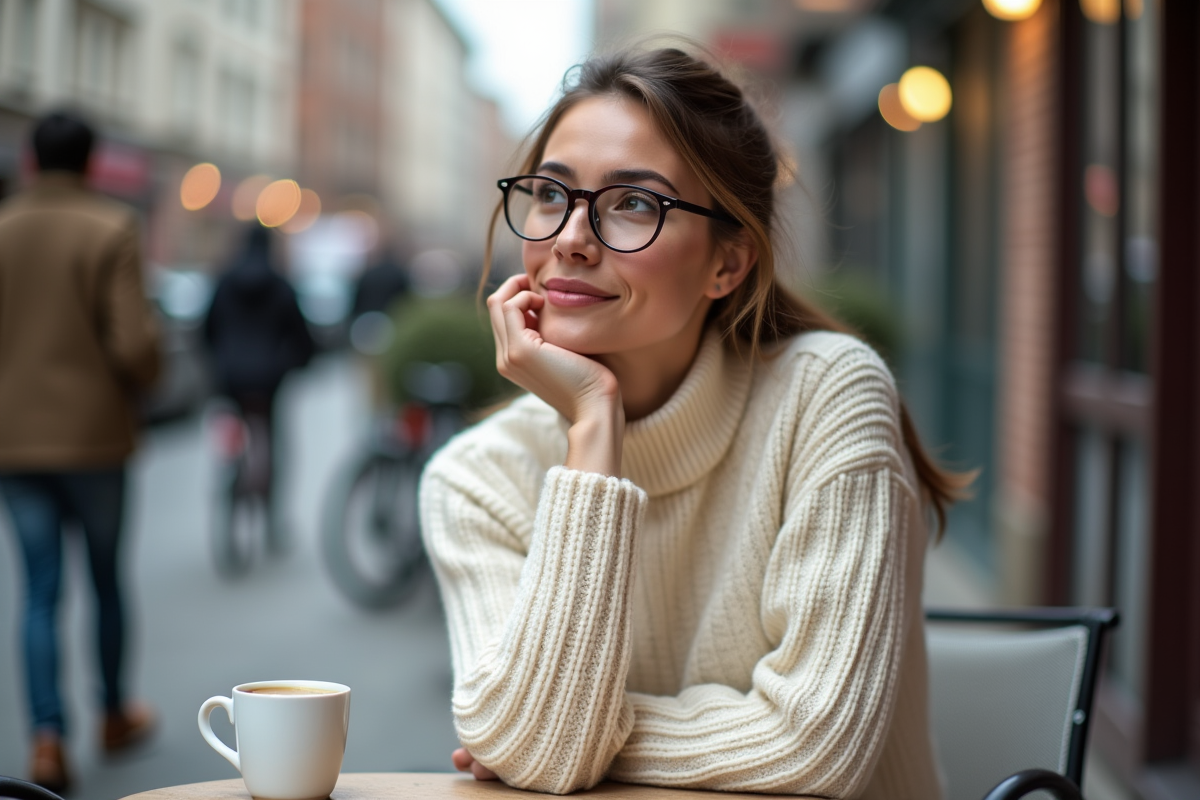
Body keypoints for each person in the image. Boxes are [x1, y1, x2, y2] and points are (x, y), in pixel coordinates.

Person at [418, 46, 975, 798]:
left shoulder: (826, 396)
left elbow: (813, 750)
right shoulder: (476, 478)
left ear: (728, 264)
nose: (571, 238)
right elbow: (534, 746)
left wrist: (560, 736)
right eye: (550, 194)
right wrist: (594, 428)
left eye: (633, 204)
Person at [0, 111, 162, 791]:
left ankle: (46, 740)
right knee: (104, 579)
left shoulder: (4, 227)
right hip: (94, 437)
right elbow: (134, 344)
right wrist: (149, 373)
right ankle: (113, 715)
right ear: (93, 162)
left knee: (38, 590)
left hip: (14, 439)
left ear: (32, 160)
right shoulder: (110, 226)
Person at [203, 223, 315, 550]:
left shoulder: (224, 282)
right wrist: (299, 361)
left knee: (231, 439)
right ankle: (271, 519)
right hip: (269, 380)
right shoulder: (280, 284)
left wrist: (219, 359)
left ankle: (230, 483)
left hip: (230, 380)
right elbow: (301, 335)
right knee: (274, 445)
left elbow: (207, 329)